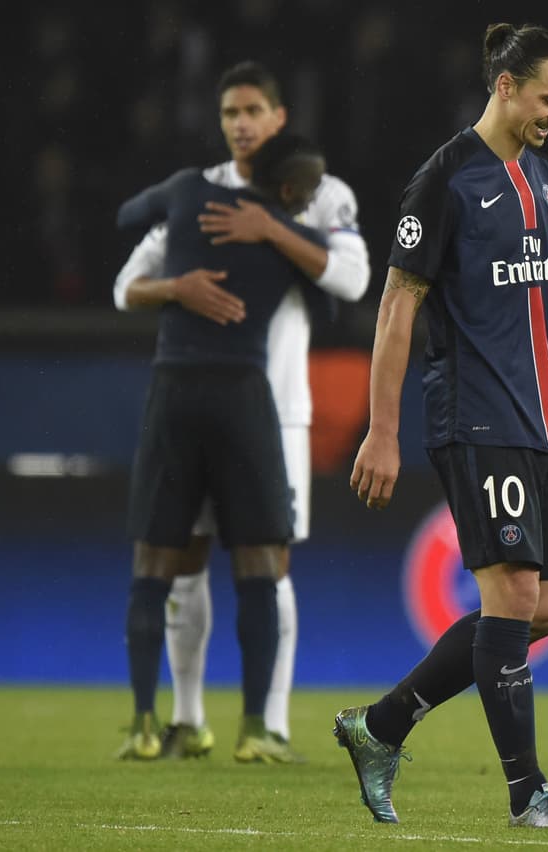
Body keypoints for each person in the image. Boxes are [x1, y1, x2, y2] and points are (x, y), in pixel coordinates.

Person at [334, 23, 548, 829]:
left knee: (541, 610)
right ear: (504, 86)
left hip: (541, 423)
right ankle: (529, 794)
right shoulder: (444, 180)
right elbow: (396, 307)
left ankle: (379, 727)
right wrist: (381, 430)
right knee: (513, 593)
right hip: (474, 415)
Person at [113, 61, 371, 761]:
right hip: (201, 395)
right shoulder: (198, 192)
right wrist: (176, 289)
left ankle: (272, 722)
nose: (241, 124)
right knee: (185, 557)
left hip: (277, 405)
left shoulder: (319, 192)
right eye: (230, 113)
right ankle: (188, 718)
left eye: (254, 110)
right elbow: (127, 283)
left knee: (269, 559)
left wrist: (272, 228)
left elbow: (353, 277)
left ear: (279, 118)